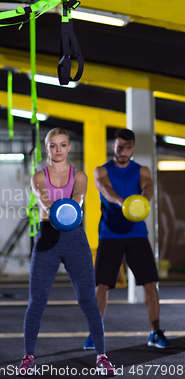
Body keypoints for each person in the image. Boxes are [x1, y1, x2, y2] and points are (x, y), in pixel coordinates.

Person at [19, 128, 115, 376]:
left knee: (88, 300)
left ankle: (102, 356)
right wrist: (53, 210)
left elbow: (79, 197)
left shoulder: (79, 175)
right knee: (37, 301)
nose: (58, 150)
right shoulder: (38, 177)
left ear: (69, 148)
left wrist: (69, 210)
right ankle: (28, 356)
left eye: (63, 145)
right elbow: (43, 198)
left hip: (74, 238)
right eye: (53, 145)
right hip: (47, 236)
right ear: (46, 148)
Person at [83, 129, 173, 350]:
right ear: (113, 145)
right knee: (101, 286)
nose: (123, 151)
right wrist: (124, 203)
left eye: (128, 147)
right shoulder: (102, 170)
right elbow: (105, 189)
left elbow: (148, 186)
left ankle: (155, 332)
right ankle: (95, 334)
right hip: (109, 234)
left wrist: (143, 200)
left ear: (133, 147)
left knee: (151, 284)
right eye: (119, 146)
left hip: (136, 234)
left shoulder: (141, 169)